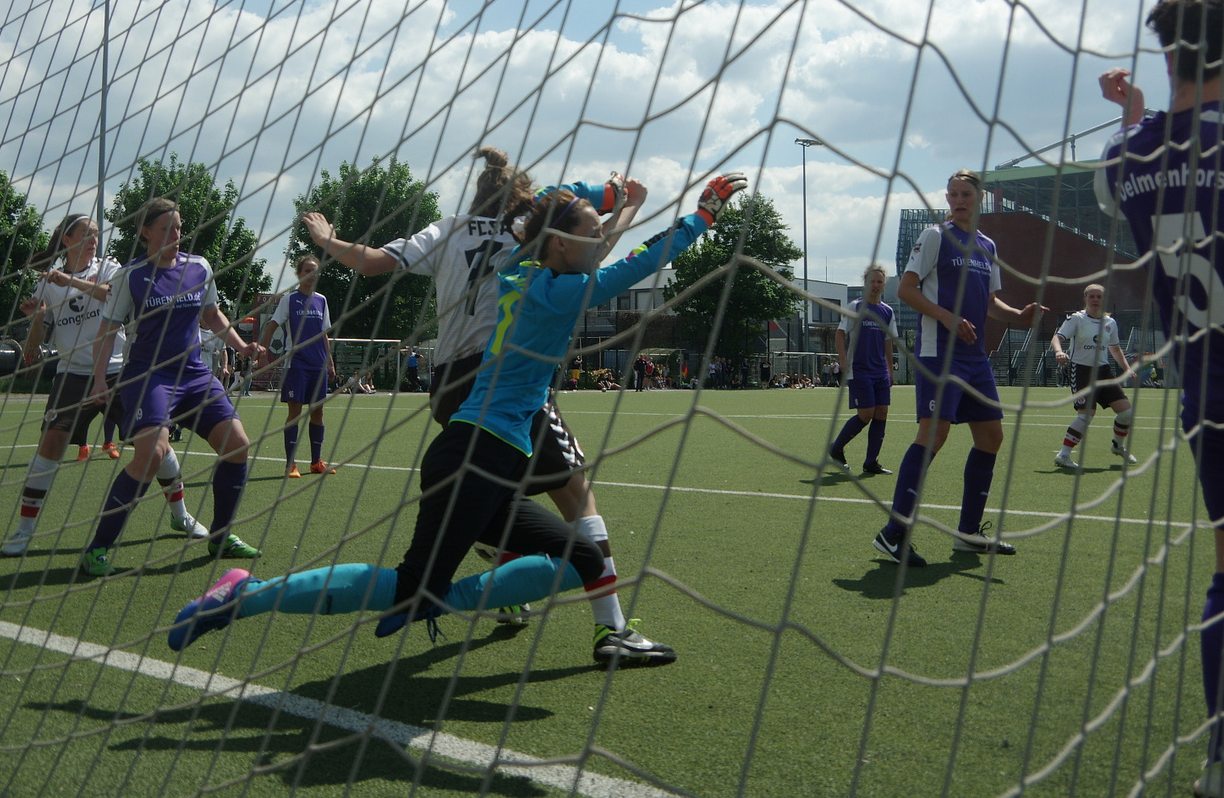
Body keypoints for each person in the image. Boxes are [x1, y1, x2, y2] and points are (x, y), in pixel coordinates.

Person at [170, 172, 747, 663]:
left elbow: (553, 208)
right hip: (477, 456)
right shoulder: (562, 292)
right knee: (412, 586)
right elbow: (646, 258)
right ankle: (245, 595)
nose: (604, 239)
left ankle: (465, 593)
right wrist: (701, 215)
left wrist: (604, 195)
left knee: (584, 555)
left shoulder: (528, 271)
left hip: (482, 454)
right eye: (594, 233)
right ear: (562, 246)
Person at [298, 149, 695, 663]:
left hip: (447, 384)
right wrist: (623, 203)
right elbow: (587, 259)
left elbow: (370, 263)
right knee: (577, 497)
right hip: (502, 378)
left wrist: (328, 240)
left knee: (492, 494)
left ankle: (504, 575)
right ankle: (611, 629)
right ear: (523, 200)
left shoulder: (447, 229)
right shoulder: (523, 235)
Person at [1090, 0, 1224, 798]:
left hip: (1210, 386)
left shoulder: (1121, 161)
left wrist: (1135, 113)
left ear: (1168, 55)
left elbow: (1137, 160)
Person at [1, 213, 206, 559]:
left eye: (96, 234)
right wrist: (36, 316)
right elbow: (37, 341)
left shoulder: (110, 267)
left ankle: (180, 515)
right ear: (67, 240)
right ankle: (23, 532)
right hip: (71, 374)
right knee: (49, 445)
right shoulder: (48, 281)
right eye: (87, 234)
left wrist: (68, 281)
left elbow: (109, 294)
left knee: (157, 444)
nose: (94, 239)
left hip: (118, 371)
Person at [873, 169, 1047, 568]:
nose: (959, 200)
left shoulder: (987, 245)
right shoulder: (936, 236)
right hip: (940, 353)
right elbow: (906, 289)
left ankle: (968, 533)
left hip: (974, 357)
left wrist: (1019, 315)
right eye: (953, 194)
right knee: (933, 435)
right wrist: (946, 317)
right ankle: (893, 533)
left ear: (980, 198)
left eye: (966, 193)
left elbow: (989, 303)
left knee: (991, 436)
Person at [79, 198, 261, 576]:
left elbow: (211, 315)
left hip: (194, 374)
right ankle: (97, 548)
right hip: (149, 376)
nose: (176, 235)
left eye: (179, 228)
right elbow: (108, 330)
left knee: (238, 445)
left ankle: (221, 536)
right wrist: (99, 379)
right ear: (145, 232)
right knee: (152, 455)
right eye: (166, 229)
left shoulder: (199, 267)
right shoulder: (130, 275)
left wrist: (242, 346)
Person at [260, 256, 338, 478]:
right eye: (307, 271)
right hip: (297, 365)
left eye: (315, 271)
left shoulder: (321, 300)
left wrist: (330, 363)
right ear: (299, 274)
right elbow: (273, 325)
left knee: (318, 412)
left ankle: (316, 462)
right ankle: (290, 465)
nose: (311, 275)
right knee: (294, 413)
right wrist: (264, 354)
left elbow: (324, 334)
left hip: (318, 366)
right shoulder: (289, 299)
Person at [1050, 283, 1136, 469]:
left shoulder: (1110, 323)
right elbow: (1057, 337)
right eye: (1092, 296)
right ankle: (1063, 455)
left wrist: (1127, 369)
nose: (1095, 299)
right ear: (1085, 299)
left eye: (1099, 297)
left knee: (1127, 413)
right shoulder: (1076, 319)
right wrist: (1059, 352)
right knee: (1086, 415)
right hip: (1081, 371)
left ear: (1103, 300)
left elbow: (1115, 348)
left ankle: (1118, 447)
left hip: (1103, 372)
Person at [828, 263, 898, 475]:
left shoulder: (887, 311)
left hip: (880, 372)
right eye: (872, 282)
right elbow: (840, 333)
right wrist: (843, 358)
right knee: (866, 414)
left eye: (879, 282)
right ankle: (836, 448)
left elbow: (888, 341)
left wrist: (890, 370)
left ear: (884, 284)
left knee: (882, 413)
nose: (875, 285)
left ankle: (871, 462)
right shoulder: (855, 307)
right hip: (859, 369)